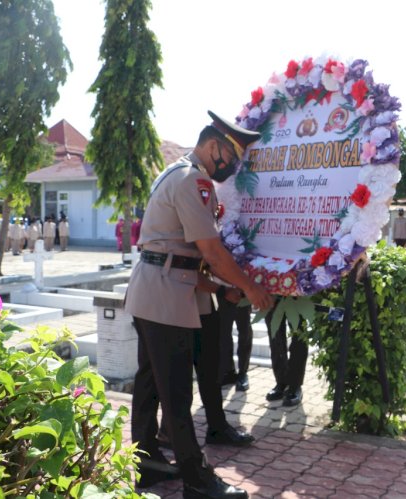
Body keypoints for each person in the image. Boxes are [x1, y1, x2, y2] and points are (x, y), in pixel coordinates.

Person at [124, 110, 273, 498]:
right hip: (165, 296)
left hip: (159, 288)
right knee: (175, 390)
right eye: (231, 157)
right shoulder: (194, 181)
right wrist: (250, 287)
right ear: (212, 147)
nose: (232, 166)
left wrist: (219, 289)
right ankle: (197, 479)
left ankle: (149, 464)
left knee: (151, 383)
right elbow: (211, 250)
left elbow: (179, 256)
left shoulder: (176, 172)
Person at [265, 299, 308, 407]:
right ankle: (281, 381)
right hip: (271, 289)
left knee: (299, 336)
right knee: (275, 336)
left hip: (297, 291)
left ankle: (295, 384)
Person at [218, 292, 253, 392]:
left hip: (242, 293)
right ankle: (228, 372)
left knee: (245, 333)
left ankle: (243, 373)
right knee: (223, 334)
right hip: (223, 293)